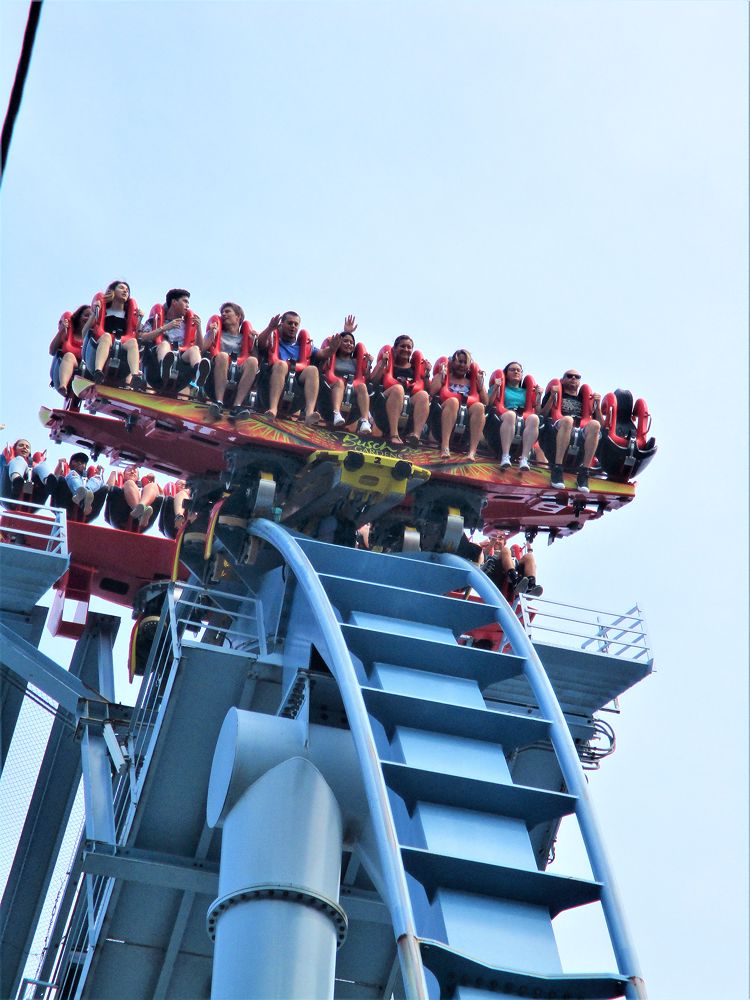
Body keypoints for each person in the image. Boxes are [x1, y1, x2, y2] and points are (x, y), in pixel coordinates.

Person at [257, 310, 337, 424]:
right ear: (282, 324)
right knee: (281, 365)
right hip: (273, 378)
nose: (293, 326)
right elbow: (260, 343)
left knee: (312, 370)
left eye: (296, 324)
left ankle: (309, 413)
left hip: (296, 384)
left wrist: (332, 349)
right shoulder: (274, 341)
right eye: (290, 323)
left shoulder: (304, 346)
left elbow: (323, 354)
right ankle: (273, 408)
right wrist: (270, 328)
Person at [540, 369, 602, 492]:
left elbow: (602, 424)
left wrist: (597, 405)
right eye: (569, 376)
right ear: (563, 380)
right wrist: (552, 396)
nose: (573, 378)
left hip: (579, 434)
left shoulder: (585, 399)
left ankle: (584, 471)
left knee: (594, 424)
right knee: (568, 420)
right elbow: (542, 414)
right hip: (556, 429)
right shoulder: (556, 393)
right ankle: (557, 468)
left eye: (577, 377)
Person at [139, 288, 208, 389]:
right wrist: (164, 328)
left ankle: (199, 373)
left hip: (180, 365)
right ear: (174, 302)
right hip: (155, 366)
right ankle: (165, 367)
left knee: (195, 349)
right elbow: (142, 338)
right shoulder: (154, 320)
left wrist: (199, 328)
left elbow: (200, 348)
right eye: (185, 301)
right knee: (165, 344)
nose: (187, 306)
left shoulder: (188, 326)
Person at [369, 335, 431, 446]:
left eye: (409, 347)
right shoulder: (387, 363)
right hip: (385, 402)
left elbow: (430, 391)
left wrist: (427, 375)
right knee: (398, 389)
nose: (406, 350)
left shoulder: (415, 369)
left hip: (407, 405)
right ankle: (394, 434)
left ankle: (415, 435)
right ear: (395, 348)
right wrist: (382, 363)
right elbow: (373, 381)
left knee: (423, 395)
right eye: (402, 346)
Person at [429, 349, 487, 460]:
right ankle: (445, 447)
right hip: (444, 413)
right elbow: (431, 391)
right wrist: (441, 375)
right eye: (460, 361)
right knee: (453, 401)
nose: (462, 365)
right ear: (453, 362)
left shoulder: (471, 382)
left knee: (479, 407)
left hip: (465, 416)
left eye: (465, 362)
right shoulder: (445, 376)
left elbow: (485, 402)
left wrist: (480, 385)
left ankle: (472, 452)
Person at [202, 302, 258, 419]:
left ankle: (237, 405)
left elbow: (256, 360)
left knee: (252, 361)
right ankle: (219, 402)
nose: (223, 314)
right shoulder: (219, 334)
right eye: (222, 312)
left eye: (227, 312)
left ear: (238, 317)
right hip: (218, 371)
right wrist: (211, 333)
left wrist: (254, 343)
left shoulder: (245, 338)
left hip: (238, 373)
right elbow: (202, 348)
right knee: (222, 356)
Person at [318, 317, 373, 434]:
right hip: (331, 390)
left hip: (352, 395)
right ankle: (336, 413)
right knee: (339, 382)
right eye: (346, 341)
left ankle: (364, 420)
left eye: (351, 342)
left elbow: (367, 378)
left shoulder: (355, 362)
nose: (349, 344)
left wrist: (369, 363)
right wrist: (347, 331)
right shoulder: (332, 358)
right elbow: (323, 366)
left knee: (363, 387)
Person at [89, 280, 145, 388]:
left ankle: (135, 375)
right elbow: (86, 332)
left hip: (122, 342)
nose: (125, 291)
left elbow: (136, 334)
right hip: (104, 340)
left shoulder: (128, 315)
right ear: (113, 291)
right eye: (121, 288)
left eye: (127, 290)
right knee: (106, 337)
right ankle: (98, 371)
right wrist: (94, 311)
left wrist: (140, 319)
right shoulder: (104, 311)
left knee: (133, 342)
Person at [489, 361, 540, 471]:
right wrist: (495, 387)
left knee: (534, 418)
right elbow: (488, 403)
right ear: (506, 373)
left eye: (518, 370)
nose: (516, 372)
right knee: (511, 415)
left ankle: (524, 458)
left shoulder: (526, 392)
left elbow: (538, 411)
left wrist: (538, 396)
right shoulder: (501, 387)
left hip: (523, 418)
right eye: (512, 370)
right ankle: (505, 456)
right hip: (503, 416)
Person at [49, 305, 93, 397]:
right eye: (86, 315)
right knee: (69, 356)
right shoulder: (68, 334)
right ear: (79, 318)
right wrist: (61, 331)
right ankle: (63, 385)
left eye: (91, 316)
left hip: (88, 371)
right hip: (69, 368)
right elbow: (52, 351)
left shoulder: (93, 337)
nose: (88, 318)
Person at [482, 533, 543, 597]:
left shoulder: (509, 555)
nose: (497, 541)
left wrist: (530, 550)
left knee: (529, 556)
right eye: (495, 538)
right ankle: (515, 581)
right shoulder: (488, 551)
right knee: (506, 550)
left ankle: (530, 587)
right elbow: (484, 556)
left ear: (504, 542)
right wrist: (491, 543)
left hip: (512, 579)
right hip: (494, 574)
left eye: (500, 539)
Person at [105, 465, 162, 530]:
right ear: (123, 474)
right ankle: (139, 514)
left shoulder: (144, 488)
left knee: (153, 486)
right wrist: (114, 473)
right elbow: (109, 488)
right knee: (129, 483)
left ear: (138, 477)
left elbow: (161, 497)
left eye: (135, 471)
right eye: (129, 470)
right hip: (121, 516)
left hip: (145, 520)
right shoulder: (122, 484)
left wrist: (152, 481)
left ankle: (141, 508)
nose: (132, 472)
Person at [53, 452, 105, 517]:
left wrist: (100, 474)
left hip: (86, 508)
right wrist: (60, 465)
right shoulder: (67, 472)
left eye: (83, 462)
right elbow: (55, 478)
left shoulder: (88, 479)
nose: (79, 463)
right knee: (73, 473)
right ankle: (81, 496)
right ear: (70, 463)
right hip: (66, 502)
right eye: (77, 461)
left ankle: (84, 496)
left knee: (98, 478)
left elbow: (104, 487)